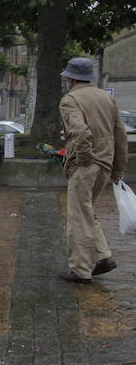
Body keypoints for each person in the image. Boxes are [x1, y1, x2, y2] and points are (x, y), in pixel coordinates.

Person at [57, 57, 128, 283]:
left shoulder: (70, 100)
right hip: (105, 164)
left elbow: (81, 132)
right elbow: (121, 135)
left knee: (78, 216)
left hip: (86, 165)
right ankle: (102, 257)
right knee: (88, 212)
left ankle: (80, 270)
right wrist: (117, 168)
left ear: (70, 78)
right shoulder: (106, 98)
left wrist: (85, 160)